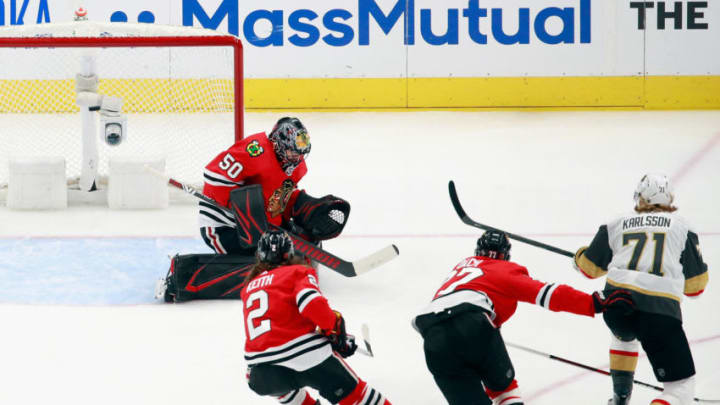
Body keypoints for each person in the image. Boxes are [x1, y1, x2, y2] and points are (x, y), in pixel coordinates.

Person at [413, 230, 634, 405]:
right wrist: (593, 302)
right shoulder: (503, 270)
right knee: (505, 391)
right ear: (505, 254)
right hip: (473, 324)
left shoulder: (460, 268)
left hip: (433, 337)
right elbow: (549, 294)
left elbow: (450, 317)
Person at [573, 173, 708, 405]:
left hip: (616, 308)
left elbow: (590, 269)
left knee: (624, 334)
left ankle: (620, 397)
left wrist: (579, 257)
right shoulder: (683, 228)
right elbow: (695, 288)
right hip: (659, 313)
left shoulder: (615, 223)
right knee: (681, 388)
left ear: (639, 197)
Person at [241, 230, 392, 405]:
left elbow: (276, 328)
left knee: (286, 391)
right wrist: (336, 328)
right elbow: (312, 305)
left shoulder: (249, 287)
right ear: (289, 252)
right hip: (306, 358)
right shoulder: (297, 272)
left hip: (260, 373)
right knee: (359, 397)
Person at [199, 116, 349, 254]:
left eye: (301, 154)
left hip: (262, 229)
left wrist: (301, 205)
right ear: (278, 144)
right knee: (272, 255)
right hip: (223, 227)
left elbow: (276, 200)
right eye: (292, 152)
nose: (297, 158)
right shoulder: (256, 150)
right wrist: (244, 213)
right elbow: (215, 175)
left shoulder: (293, 165)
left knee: (294, 246)